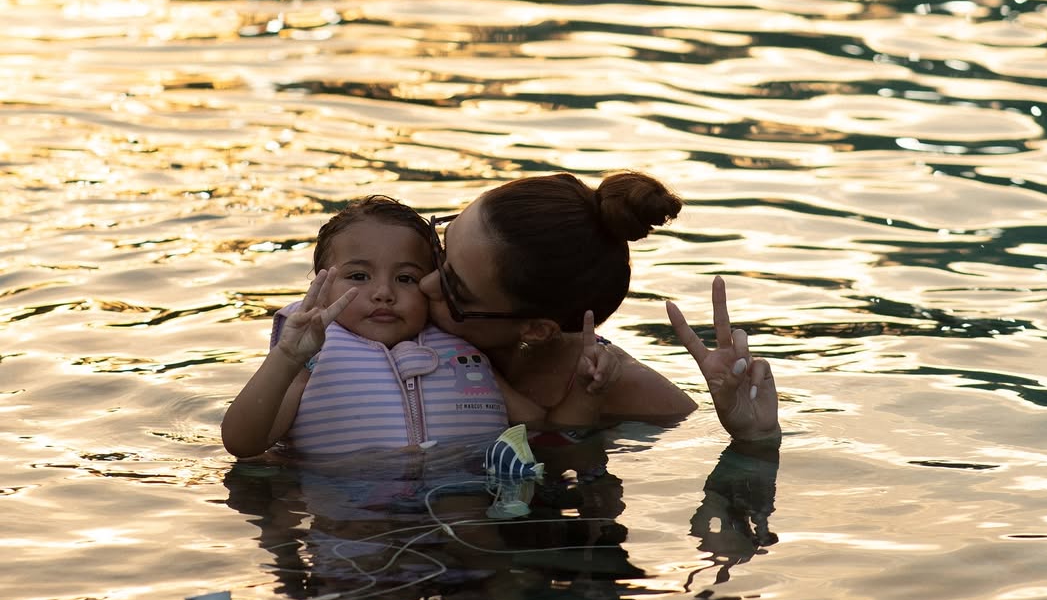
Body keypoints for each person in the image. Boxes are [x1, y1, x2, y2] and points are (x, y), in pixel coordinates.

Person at [416, 170, 780, 443]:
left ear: (537, 329)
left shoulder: (614, 382)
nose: (424, 284)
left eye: (455, 289)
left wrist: (755, 438)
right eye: (441, 251)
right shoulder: (401, 310)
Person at [220, 196, 511, 459]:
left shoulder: (460, 343)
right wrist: (287, 357)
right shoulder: (309, 357)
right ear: (322, 288)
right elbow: (241, 443)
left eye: (406, 278)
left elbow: (530, 419)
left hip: (459, 486)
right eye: (359, 276)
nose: (384, 292)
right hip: (345, 492)